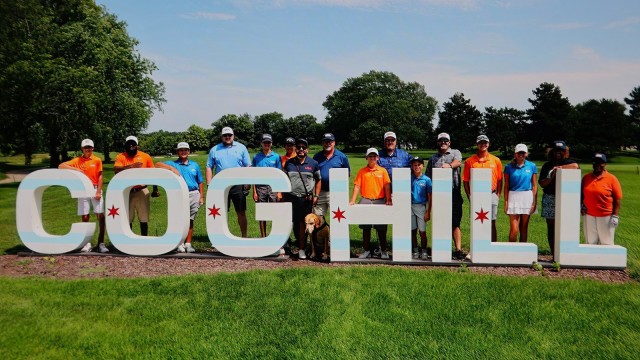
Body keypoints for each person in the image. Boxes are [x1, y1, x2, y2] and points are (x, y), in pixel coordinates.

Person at [58, 139, 108, 253]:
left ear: (93, 148)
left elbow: (100, 177)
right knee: (85, 216)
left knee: (100, 215)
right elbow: (61, 166)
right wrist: (76, 169)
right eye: (86, 147)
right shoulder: (77, 160)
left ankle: (101, 243)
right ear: (82, 149)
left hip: (95, 188)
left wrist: (99, 191)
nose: (88, 149)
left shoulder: (97, 160)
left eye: (90, 147)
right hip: (83, 190)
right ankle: (87, 243)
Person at [155, 142, 204, 253]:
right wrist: (171, 169)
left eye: (185, 150)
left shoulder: (194, 165)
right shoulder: (173, 163)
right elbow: (157, 164)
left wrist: (201, 197)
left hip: (194, 194)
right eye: (181, 150)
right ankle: (179, 243)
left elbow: (200, 182)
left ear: (189, 151)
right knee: (180, 219)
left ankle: (188, 243)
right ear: (177, 152)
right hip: (180, 194)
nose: (183, 152)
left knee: (191, 220)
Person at [205, 127, 251, 238]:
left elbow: (248, 166)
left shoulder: (241, 148)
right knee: (220, 212)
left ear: (233, 136)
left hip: (237, 184)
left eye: (229, 135)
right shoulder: (214, 149)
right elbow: (209, 167)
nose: (227, 137)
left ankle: (244, 236)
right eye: (225, 135)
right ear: (222, 137)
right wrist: (209, 184)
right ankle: (219, 238)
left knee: (241, 211)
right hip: (220, 185)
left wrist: (247, 182)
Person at [426, 132, 465, 259]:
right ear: (438, 142)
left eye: (446, 140)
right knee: (440, 221)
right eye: (441, 140)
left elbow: (458, 162)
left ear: (449, 142)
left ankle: (458, 250)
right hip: (438, 194)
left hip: (453, 192)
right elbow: (428, 177)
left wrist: (448, 165)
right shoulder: (433, 158)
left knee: (455, 222)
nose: (443, 142)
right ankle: (440, 248)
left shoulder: (455, 153)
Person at [350, 148, 392, 259]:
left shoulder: (383, 171)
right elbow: (357, 186)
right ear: (366, 158)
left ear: (378, 158)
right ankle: (367, 250)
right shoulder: (362, 171)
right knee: (366, 227)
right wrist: (353, 200)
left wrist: (388, 199)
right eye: (370, 156)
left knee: (381, 227)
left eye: (374, 156)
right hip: (366, 200)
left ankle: (383, 250)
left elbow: (387, 186)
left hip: (380, 200)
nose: (372, 158)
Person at [538, 140, 579, 255]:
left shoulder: (569, 162)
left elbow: (575, 167)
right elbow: (542, 184)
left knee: (565, 226)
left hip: (566, 199)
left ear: (565, 152)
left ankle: (565, 253)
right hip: (550, 197)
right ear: (552, 151)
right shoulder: (547, 165)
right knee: (551, 227)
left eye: (561, 151)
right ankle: (554, 253)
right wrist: (552, 174)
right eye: (556, 150)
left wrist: (560, 167)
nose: (558, 153)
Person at [283, 138, 321, 259]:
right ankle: (286, 246)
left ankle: (302, 249)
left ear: (307, 150)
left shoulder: (313, 163)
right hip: (291, 197)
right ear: (295, 149)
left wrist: (316, 195)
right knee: (290, 223)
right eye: (298, 147)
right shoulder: (289, 163)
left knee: (303, 224)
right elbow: (283, 179)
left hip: (306, 199)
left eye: (303, 147)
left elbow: (319, 180)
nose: (300, 149)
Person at [114, 135, 158, 236]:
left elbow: (154, 173)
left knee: (143, 218)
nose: (131, 146)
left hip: (142, 190)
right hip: (126, 191)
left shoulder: (145, 156)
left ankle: (144, 240)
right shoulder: (121, 156)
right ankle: (129, 240)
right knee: (127, 218)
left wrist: (155, 189)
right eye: (129, 144)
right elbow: (116, 169)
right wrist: (131, 166)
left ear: (137, 145)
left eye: (133, 144)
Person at [463, 135, 503, 242]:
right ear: (477, 144)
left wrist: (497, 195)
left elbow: (500, 180)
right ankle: (477, 248)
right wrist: (470, 196)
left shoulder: (496, 160)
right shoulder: (469, 161)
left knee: (492, 222)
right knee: (477, 222)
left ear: (488, 144)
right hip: (477, 196)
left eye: (485, 142)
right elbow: (466, 181)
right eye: (480, 143)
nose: (483, 145)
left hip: (491, 194)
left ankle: (493, 247)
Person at [581, 153, 622, 245]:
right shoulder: (586, 178)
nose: (598, 165)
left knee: (606, 242)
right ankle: (591, 259)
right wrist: (581, 206)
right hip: (589, 215)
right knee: (590, 242)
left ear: (605, 164)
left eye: (601, 163)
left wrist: (615, 216)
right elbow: (581, 195)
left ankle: (607, 259)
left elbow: (617, 199)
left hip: (605, 215)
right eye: (595, 162)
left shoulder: (612, 178)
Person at [503, 144, 537, 243]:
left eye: (523, 153)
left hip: (527, 196)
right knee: (514, 229)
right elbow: (506, 186)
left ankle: (523, 252)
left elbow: (534, 185)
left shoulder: (532, 166)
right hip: (513, 196)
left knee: (524, 227)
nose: (520, 155)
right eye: (519, 153)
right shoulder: (508, 167)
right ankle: (511, 251)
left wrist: (534, 203)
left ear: (526, 154)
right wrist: (505, 202)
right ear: (515, 154)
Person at [312, 133, 350, 218]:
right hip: (320, 192)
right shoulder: (317, 157)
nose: (328, 143)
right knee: (318, 219)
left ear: (334, 142)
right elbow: (313, 176)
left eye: (330, 141)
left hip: (336, 192)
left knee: (338, 220)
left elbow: (347, 174)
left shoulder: (342, 157)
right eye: (325, 141)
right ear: (322, 143)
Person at [252, 134, 282, 238]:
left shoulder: (276, 156)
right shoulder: (256, 157)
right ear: (261, 143)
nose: (266, 144)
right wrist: (254, 191)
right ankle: (263, 237)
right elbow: (253, 175)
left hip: (273, 187)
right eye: (265, 142)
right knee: (262, 213)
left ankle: (275, 236)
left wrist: (279, 191)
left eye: (268, 142)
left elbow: (280, 174)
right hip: (260, 187)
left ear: (271, 143)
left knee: (274, 212)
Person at [410, 156, 432, 260]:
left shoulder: (426, 179)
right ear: (412, 166)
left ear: (422, 166)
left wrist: (428, 211)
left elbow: (429, 196)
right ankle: (415, 250)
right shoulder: (409, 178)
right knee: (412, 230)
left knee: (422, 231)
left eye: (419, 164)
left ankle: (424, 250)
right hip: (410, 206)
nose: (417, 166)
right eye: (415, 165)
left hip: (421, 207)